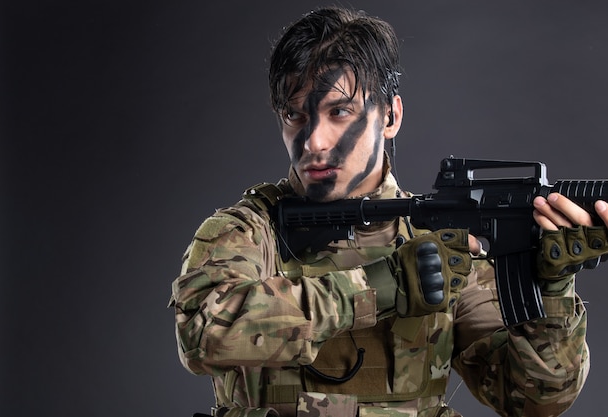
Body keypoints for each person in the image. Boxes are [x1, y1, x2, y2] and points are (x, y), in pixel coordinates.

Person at [169, 6, 608, 417]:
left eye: (339, 112)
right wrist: (383, 284)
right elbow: (203, 336)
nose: (315, 141)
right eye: (295, 116)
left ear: (390, 115)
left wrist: (552, 289)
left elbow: (533, 399)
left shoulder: (445, 242)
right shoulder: (249, 232)